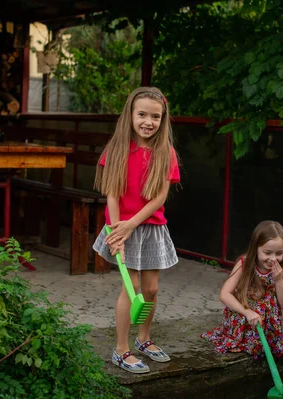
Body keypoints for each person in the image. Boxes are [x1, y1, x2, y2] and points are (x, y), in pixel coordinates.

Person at [92, 87, 180, 374]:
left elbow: (159, 198)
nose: (148, 121)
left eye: (155, 116)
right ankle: (120, 349)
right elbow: (112, 195)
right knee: (131, 290)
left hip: (150, 227)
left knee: (151, 289)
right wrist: (116, 232)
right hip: (120, 228)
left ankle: (143, 339)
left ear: (162, 120)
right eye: (142, 114)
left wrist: (132, 224)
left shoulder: (166, 152)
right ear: (130, 115)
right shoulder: (116, 150)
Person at [202, 220, 283, 359]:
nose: (273, 259)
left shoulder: (280, 269)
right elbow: (224, 294)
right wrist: (247, 312)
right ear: (256, 248)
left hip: (266, 326)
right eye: (267, 252)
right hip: (245, 317)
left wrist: (278, 280)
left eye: (279, 253)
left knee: (269, 349)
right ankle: (239, 340)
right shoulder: (244, 264)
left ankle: (257, 343)